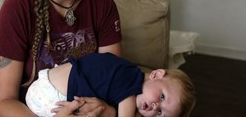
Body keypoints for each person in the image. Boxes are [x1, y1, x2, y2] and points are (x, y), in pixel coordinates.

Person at [26, 52, 196, 117]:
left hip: (45, 91)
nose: (154, 105)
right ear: (156, 74)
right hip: (51, 93)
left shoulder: (127, 88)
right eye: (162, 97)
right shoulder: (131, 77)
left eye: (160, 113)